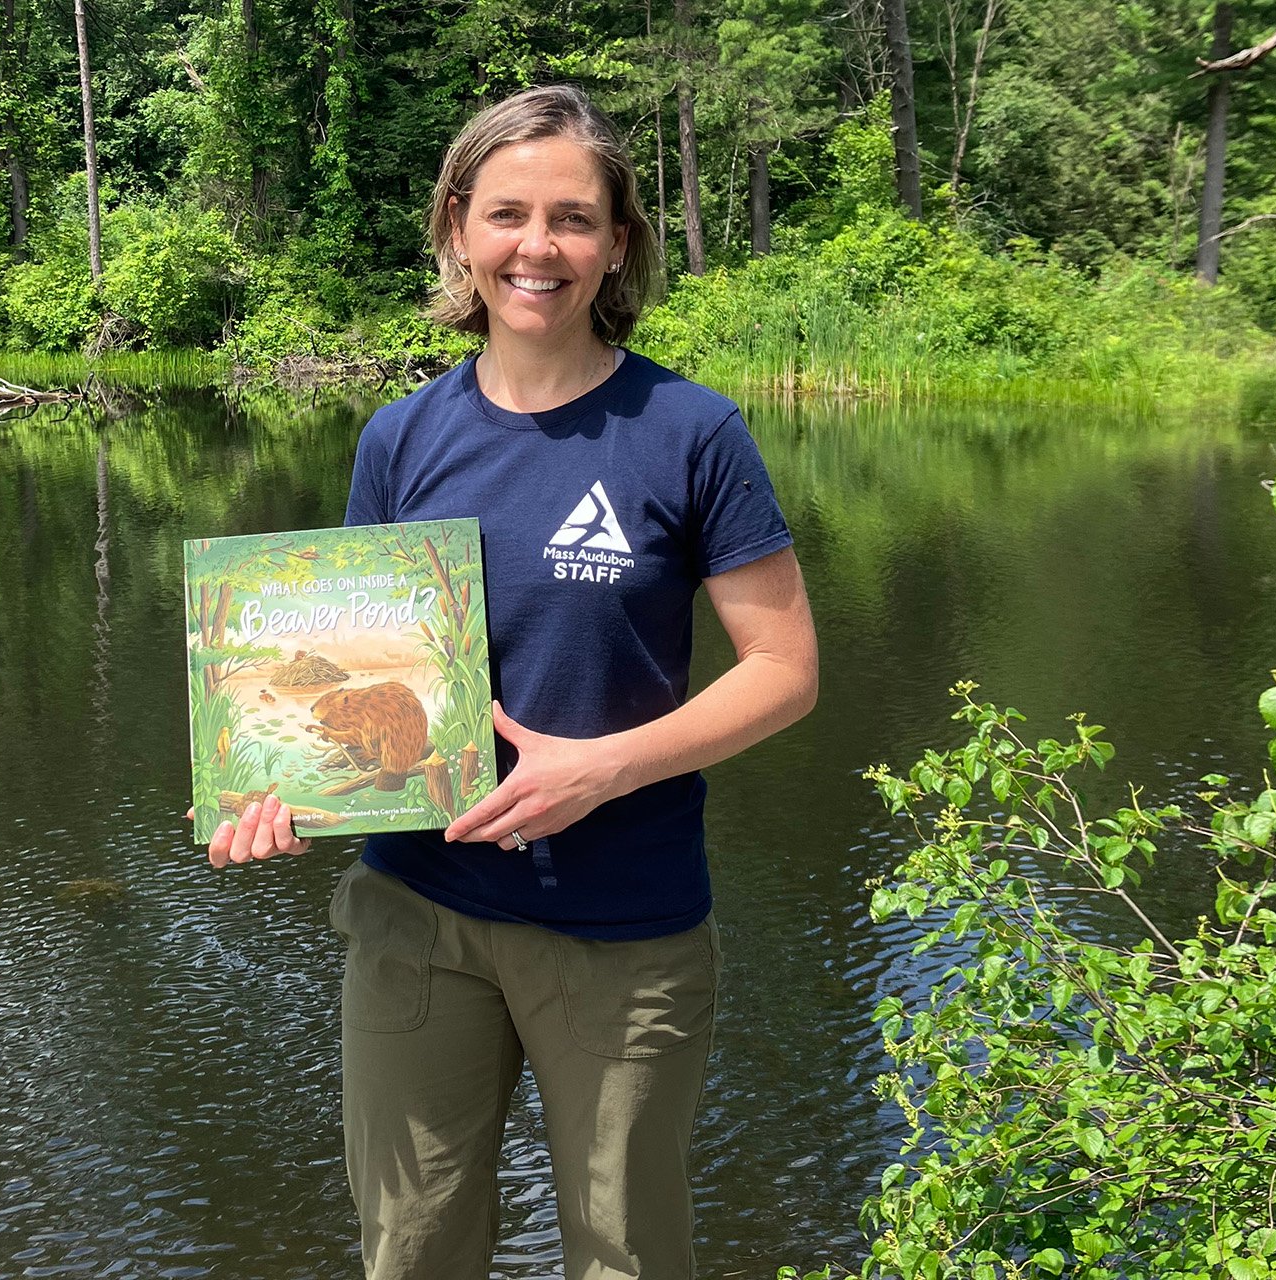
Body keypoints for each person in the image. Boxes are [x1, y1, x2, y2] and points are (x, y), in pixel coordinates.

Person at [204, 84, 818, 1280]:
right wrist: (274, 783)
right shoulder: (400, 437)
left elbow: (787, 672)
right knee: (413, 1249)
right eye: (508, 214)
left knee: (626, 1257)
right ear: (457, 228)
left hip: (624, 927)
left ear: (619, 244)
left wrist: (604, 767)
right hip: (420, 918)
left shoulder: (690, 432)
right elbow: (349, 665)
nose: (539, 248)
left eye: (575, 219)